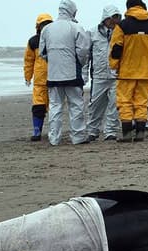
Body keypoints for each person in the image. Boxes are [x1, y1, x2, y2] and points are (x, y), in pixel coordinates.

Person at [109, 0, 148, 142]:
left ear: (128, 8)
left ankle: (126, 135)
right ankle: (140, 133)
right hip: (146, 72)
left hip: (126, 72)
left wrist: (114, 66)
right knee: (142, 102)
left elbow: (116, 48)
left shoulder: (122, 26)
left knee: (125, 102)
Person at [40, 0, 91, 145]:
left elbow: (42, 52)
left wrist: (53, 62)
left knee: (55, 106)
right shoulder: (75, 27)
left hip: (53, 74)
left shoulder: (47, 29)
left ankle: (54, 138)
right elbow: (83, 50)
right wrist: (79, 63)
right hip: (72, 73)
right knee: (76, 105)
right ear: (72, 11)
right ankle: (78, 136)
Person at [86, 5, 122, 142]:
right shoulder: (92, 33)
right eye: (113, 18)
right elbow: (86, 55)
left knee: (114, 105)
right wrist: (84, 74)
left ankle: (111, 132)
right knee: (95, 105)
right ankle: (92, 131)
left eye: (117, 18)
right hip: (99, 75)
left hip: (116, 75)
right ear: (105, 18)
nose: (115, 21)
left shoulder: (121, 33)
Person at [24, 13, 54, 142]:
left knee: (54, 107)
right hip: (39, 81)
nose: (46, 26)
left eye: (48, 24)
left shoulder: (56, 40)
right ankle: (37, 131)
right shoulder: (33, 41)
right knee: (38, 107)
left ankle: (54, 131)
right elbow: (29, 60)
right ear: (38, 26)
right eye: (43, 24)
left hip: (55, 79)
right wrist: (27, 76)